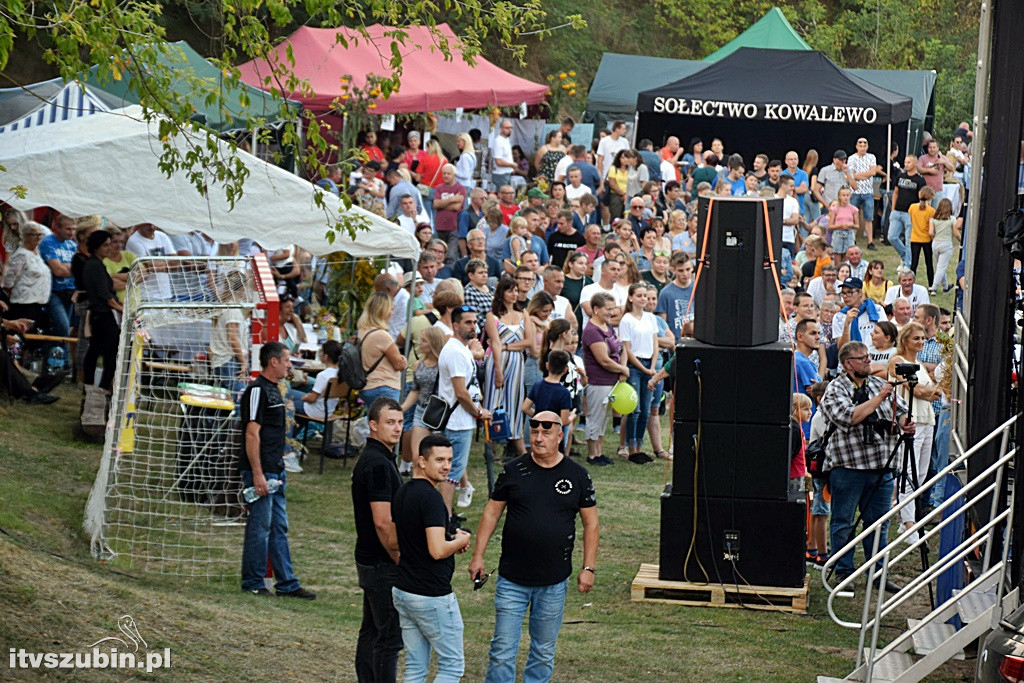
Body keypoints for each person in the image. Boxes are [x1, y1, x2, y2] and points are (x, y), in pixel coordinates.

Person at [468, 411, 598, 683]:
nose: (538, 438)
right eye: (534, 432)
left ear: (560, 436)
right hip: (512, 578)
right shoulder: (513, 470)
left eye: (546, 433)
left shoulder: (577, 476)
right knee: (502, 649)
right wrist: (477, 556)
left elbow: (591, 525)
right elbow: (491, 514)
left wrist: (588, 568)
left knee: (543, 650)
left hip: (554, 581)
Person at [820, 341, 913, 587]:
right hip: (848, 467)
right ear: (848, 364)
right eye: (862, 359)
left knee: (879, 523)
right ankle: (843, 571)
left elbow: (899, 409)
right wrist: (880, 397)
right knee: (843, 521)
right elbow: (849, 417)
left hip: (881, 466)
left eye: (868, 357)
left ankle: (878, 573)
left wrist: (904, 422)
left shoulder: (876, 384)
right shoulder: (835, 389)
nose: (868, 362)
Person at [390, 433, 471, 683]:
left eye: (449, 459)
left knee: (415, 667)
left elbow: (395, 542)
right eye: (439, 460)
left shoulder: (403, 492)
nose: (446, 466)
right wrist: (459, 541)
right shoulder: (432, 499)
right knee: (451, 667)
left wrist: (447, 543)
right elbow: (436, 551)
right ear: (421, 461)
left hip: (404, 590)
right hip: (431, 595)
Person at [239, 341, 315, 599]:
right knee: (260, 527)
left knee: (279, 526)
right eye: (286, 361)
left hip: (276, 470)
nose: (289, 366)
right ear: (273, 362)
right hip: (263, 470)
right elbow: (252, 434)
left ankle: (287, 583)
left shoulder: (274, 390)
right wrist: (257, 472)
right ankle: (253, 580)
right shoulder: (257, 391)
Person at [351, 397, 404, 683]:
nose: (397, 428)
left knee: (372, 631)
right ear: (373, 426)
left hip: (372, 560)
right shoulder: (378, 464)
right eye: (389, 422)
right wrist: (399, 558)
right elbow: (383, 522)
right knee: (388, 638)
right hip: (382, 562)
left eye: (399, 422)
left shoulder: (379, 459)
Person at [887, 322, 941, 539]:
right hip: (910, 419)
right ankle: (908, 523)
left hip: (927, 418)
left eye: (922, 338)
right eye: (916, 338)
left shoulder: (918, 363)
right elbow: (916, 390)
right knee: (908, 470)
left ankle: (908, 517)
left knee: (921, 472)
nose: (920, 342)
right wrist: (929, 391)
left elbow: (933, 393)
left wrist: (928, 391)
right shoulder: (897, 361)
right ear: (905, 339)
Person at [438, 305, 491, 512]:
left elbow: (471, 386)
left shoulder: (462, 350)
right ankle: (445, 517)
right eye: (468, 322)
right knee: (452, 473)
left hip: (461, 419)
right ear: (455, 325)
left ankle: (446, 515)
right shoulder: (455, 352)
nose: (473, 327)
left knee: (454, 470)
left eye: (475, 322)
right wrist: (478, 412)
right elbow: (460, 393)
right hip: (457, 421)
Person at [582, 292, 629, 467]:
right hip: (599, 381)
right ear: (595, 309)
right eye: (608, 309)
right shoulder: (592, 331)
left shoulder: (606, 326)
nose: (611, 312)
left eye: (613, 308)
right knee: (595, 417)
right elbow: (603, 360)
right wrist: (622, 368)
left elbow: (620, 348)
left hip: (612, 380)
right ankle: (592, 454)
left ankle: (599, 452)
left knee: (604, 419)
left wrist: (623, 369)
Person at [619, 283, 658, 464]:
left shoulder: (651, 318)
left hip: (649, 364)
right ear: (631, 298)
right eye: (640, 295)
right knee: (635, 409)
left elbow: (655, 343)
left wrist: (652, 365)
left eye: (646, 296)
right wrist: (644, 369)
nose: (644, 299)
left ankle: (640, 446)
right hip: (636, 367)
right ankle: (631, 445)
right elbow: (627, 349)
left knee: (645, 410)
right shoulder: (626, 319)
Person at [81, 230, 124, 392]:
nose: (109, 248)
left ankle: (93, 385)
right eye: (105, 245)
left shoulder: (97, 265)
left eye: (109, 244)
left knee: (96, 350)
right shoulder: (95, 266)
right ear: (96, 247)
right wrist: (121, 309)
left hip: (102, 315)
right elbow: (105, 295)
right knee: (107, 353)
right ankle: (101, 386)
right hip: (103, 315)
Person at [358, 291, 408, 405]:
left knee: (374, 421)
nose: (392, 313)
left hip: (368, 385)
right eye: (390, 309)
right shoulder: (381, 335)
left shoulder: (363, 330)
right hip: (384, 386)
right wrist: (403, 360)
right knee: (388, 421)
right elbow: (398, 364)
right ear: (382, 311)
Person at [1, 221, 51, 329]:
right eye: (35, 235)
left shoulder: (37, 252)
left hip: (38, 303)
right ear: (25, 235)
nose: (38, 237)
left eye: (40, 234)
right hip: (25, 304)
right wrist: (9, 289)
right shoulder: (21, 254)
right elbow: (10, 278)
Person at [521, 350, 574, 439]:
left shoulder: (537, 386)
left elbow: (525, 408)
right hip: (554, 435)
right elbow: (564, 421)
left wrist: (539, 417)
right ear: (565, 370)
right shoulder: (564, 393)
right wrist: (572, 416)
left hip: (538, 431)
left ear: (547, 365)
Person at [39, 214, 77, 340]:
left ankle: (60, 356)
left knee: (65, 328)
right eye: (68, 229)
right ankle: (58, 356)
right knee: (62, 326)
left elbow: (80, 268)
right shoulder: (48, 242)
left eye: (73, 229)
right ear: (57, 227)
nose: (71, 232)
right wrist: (71, 268)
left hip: (70, 291)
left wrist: (66, 266)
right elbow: (58, 271)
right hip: (54, 291)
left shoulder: (72, 245)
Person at [887, 155, 928, 267]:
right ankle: (905, 256)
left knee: (909, 241)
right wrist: (893, 209)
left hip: (910, 214)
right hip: (897, 211)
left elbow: (923, 198)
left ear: (915, 164)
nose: (906, 164)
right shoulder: (900, 176)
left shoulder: (920, 180)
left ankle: (908, 265)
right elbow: (895, 192)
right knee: (892, 237)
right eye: (905, 162)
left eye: (909, 162)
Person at [834, 277, 887, 354]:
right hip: (849, 358)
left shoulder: (877, 310)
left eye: (850, 292)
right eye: (843, 293)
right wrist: (846, 325)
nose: (845, 296)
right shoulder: (839, 316)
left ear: (860, 293)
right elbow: (841, 348)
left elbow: (886, 336)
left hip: (873, 356)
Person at [847, 137, 883, 250]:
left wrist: (858, 176)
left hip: (868, 191)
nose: (862, 146)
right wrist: (865, 175)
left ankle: (870, 241)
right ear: (856, 146)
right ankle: (852, 240)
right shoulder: (851, 158)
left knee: (869, 217)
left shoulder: (871, 157)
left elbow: (873, 172)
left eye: (864, 144)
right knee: (853, 217)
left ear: (867, 146)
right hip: (854, 191)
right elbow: (852, 175)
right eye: (860, 144)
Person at [656, 252, 695, 343]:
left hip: (696, 340)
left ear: (692, 268)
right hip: (677, 342)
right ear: (673, 270)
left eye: (688, 269)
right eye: (681, 270)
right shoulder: (665, 293)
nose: (685, 274)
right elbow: (662, 325)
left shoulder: (698, 287)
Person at [432, 164, 466, 264]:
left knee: (451, 256)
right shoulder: (438, 188)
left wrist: (441, 204)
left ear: (454, 175)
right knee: (438, 255)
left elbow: (456, 207)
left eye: (448, 174)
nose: (446, 176)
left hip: (453, 227)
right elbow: (435, 204)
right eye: (444, 173)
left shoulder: (461, 188)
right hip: (440, 226)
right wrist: (452, 199)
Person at [928, 198, 958, 294]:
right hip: (946, 244)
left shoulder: (933, 219)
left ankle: (945, 286)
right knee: (941, 267)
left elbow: (931, 232)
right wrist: (961, 241)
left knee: (939, 266)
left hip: (936, 243)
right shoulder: (952, 219)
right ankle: (934, 288)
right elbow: (956, 233)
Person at [908, 186, 936, 286]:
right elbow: (931, 227)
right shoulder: (931, 211)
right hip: (926, 239)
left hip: (915, 238)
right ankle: (931, 284)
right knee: (929, 263)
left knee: (914, 264)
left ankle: (910, 283)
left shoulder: (912, 207)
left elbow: (912, 220)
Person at [828, 187, 860, 259]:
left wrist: (852, 225)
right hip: (838, 234)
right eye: (843, 195)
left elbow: (857, 226)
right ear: (839, 196)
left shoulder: (853, 209)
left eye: (847, 195)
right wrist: (840, 225)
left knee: (848, 257)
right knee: (837, 256)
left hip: (849, 233)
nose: (845, 197)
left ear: (850, 196)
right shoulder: (835, 209)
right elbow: (830, 226)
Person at [490, 119, 515, 190]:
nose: (510, 130)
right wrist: (512, 165)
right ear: (501, 129)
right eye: (507, 128)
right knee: (504, 195)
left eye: (511, 128)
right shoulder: (498, 141)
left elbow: (506, 157)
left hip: (507, 172)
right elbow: (498, 161)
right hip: (500, 174)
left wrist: (511, 167)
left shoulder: (506, 139)